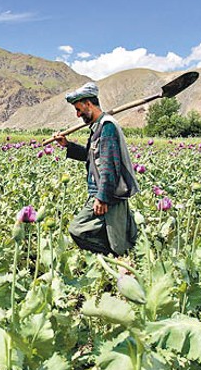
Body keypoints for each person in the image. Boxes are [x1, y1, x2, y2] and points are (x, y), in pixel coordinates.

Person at [53, 82, 139, 256]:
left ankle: (120, 260)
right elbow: (92, 157)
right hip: (102, 192)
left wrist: (102, 198)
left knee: (86, 232)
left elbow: (109, 167)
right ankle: (117, 260)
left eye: (79, 109)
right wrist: (68, 145)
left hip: (109, 194)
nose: (78, 114)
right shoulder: (98, 127)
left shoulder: (107, 127)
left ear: (89, 104)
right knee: (116, 238)